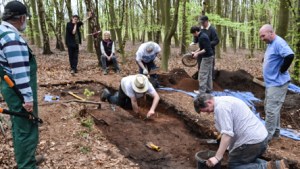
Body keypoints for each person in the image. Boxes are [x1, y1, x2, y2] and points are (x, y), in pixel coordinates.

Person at [0, 1, 44, 168]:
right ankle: (27, 165)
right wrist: (27, 98)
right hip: (18, 90)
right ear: (22, 18)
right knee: (27, 129)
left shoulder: (2, 32)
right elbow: (19, 72)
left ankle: (26, 160)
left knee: (19, 127)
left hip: (9, 87)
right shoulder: (12, 38)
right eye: (26, 19)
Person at [193, 93, 288, 169]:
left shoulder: (221, 108)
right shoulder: (224, 100)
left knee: (235, 166)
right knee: (245, 161)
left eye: (205, 110)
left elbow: (227, 134)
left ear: (209, 102)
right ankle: (276, 165)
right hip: (261, 139)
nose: (208, 113)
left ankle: (265, 167)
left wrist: (217, 157)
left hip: (251, 142)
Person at [259, 24, 294, 142]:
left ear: (270, 33)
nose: (262, 38)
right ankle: (275, 134)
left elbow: (289, 55)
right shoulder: (271, 43)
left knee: (271, 109)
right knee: (272, 108)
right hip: (271, 83)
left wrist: (283, 69)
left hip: (278, 83)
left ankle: (266, 138)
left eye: (263, 36)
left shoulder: (279, 42)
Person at [190, 26, 214, 94]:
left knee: (202, 74)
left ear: (196, 32)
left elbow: (205, 49)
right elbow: (201, 47)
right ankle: (209, 89)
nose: (193, 35)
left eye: (193, 34)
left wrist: (197, 54)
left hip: (207, 58)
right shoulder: (202, 35)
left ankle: (201, 91)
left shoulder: (202, 37)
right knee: (208, 74)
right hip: (210, 56)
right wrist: (195, 52)